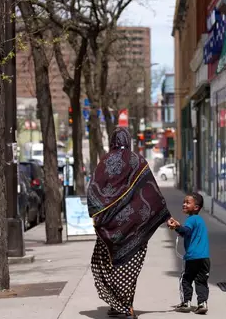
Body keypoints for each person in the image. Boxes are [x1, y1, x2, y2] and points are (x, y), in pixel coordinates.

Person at [87, 127, 171, 319]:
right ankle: (123, 305)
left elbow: (93, 192)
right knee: (129, 267)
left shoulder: (104, 162)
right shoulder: (137, 161)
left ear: (112, 141)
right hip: (134, 227)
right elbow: (151, 192)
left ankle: (121, 305)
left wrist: (100, 216)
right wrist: (165, 215)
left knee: (106, 264)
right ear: (129, 140)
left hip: (110, 228)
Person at [167, 193, 210, 314]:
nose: (184, 204)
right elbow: (188, 233)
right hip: (205, 258)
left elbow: (186, 231)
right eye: (184, 202)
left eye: (187, 202)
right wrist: (178, 226)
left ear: (196, 207)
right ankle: (202, 303)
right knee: (201, 281)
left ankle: (186, 302)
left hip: (192, 258)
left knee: (186, 280)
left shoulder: (191, 219)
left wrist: (176, 227)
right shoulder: (199, 220)